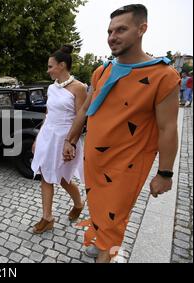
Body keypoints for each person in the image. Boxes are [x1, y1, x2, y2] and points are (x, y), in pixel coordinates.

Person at [63, 4, 180, 263]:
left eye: (121, 30)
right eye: (110, 31)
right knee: (98, 207)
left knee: (115, 217)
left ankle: (108, 252)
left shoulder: (163, 76)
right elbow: (85, 107)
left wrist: (165, 173)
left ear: (142, 29)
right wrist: (70, 138)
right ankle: (99, 239)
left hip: (126, 167)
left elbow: (167, 128)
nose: (112, 37)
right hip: (94, 160)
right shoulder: (101, 71)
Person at [30, 45, 87, 234]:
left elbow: (81, 118)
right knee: (45, 176)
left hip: (66, 139)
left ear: (62, 65)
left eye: (50, 66)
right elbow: (48, 115)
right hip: (48, 136)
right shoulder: (51, 88)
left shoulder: (79, 88)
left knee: (63, 178)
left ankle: (79, 204)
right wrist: (38, 139)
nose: (48, 70)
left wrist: (70, 142)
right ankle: (47, 218)